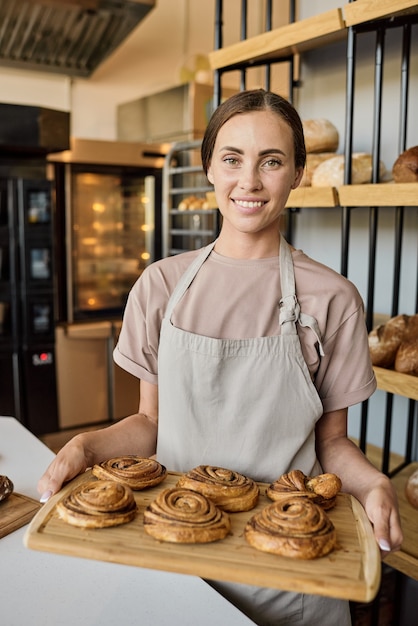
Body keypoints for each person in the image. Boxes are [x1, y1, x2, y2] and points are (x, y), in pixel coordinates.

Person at [38, 89, 402, 626]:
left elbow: (331, 443)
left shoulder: (333, 298)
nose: (249, 181)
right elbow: (152, 422)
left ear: (297, 172)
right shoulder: (161, 285)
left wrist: (372, 484)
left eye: (271, 161)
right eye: (232, 159)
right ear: (209, 167)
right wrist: (86, 445)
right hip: (170, 556)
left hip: (291, 578)